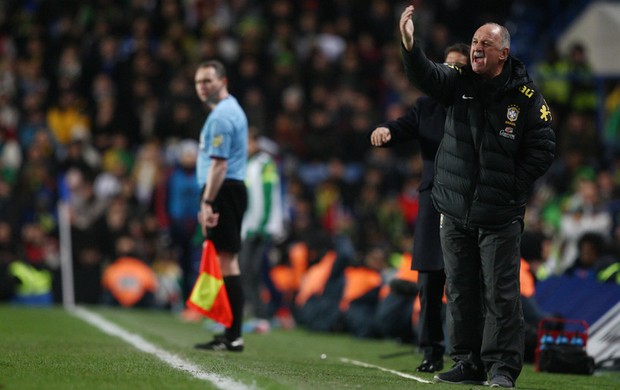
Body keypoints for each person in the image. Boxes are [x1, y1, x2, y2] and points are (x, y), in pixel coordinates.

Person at [399, 6, 556, 388]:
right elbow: (429, 75)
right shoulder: (459, 80)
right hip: (454, 211)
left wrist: (511, 187)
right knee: (461, 290)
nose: (477, 48)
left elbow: (544, 148)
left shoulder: (527, 97)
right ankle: (468, 362)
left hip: (499, 215)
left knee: (501, 294)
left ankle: (502, 368)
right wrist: (410, 46)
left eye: (486, 43)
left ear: (504, 53)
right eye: (473, 42)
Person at [369, 43, 470, 373]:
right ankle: (430, 349)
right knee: (429, 279)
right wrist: (386, 130)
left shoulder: (474, 107)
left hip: (466, 201)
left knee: (463, 282)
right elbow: (402, 126)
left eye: (459, 67)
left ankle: (465, 354)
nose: (452, 73)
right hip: (431, 199)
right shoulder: (426, 106)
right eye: (448, 66)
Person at [193, 60, 248, 352]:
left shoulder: (221, 117)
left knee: (227, 261)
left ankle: (233, 334)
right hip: (228, 190)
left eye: (208, 81)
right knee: (227, 261)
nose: (202, 87)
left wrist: (208, 201)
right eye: (199, 82)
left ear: (222, 80)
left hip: (223, 192)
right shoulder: (229, 110)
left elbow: (219, 165)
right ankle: (230, 331)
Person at [239, 127, 285, 326]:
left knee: (255, 269)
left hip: (263, 226)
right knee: (248, 269)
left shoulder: (265, 163)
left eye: (249, 142)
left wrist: (263, 223)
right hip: (249, 225)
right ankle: (261, 312)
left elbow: (268, 195)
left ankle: (273, 311)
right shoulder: (245, 164)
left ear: (256, 143)